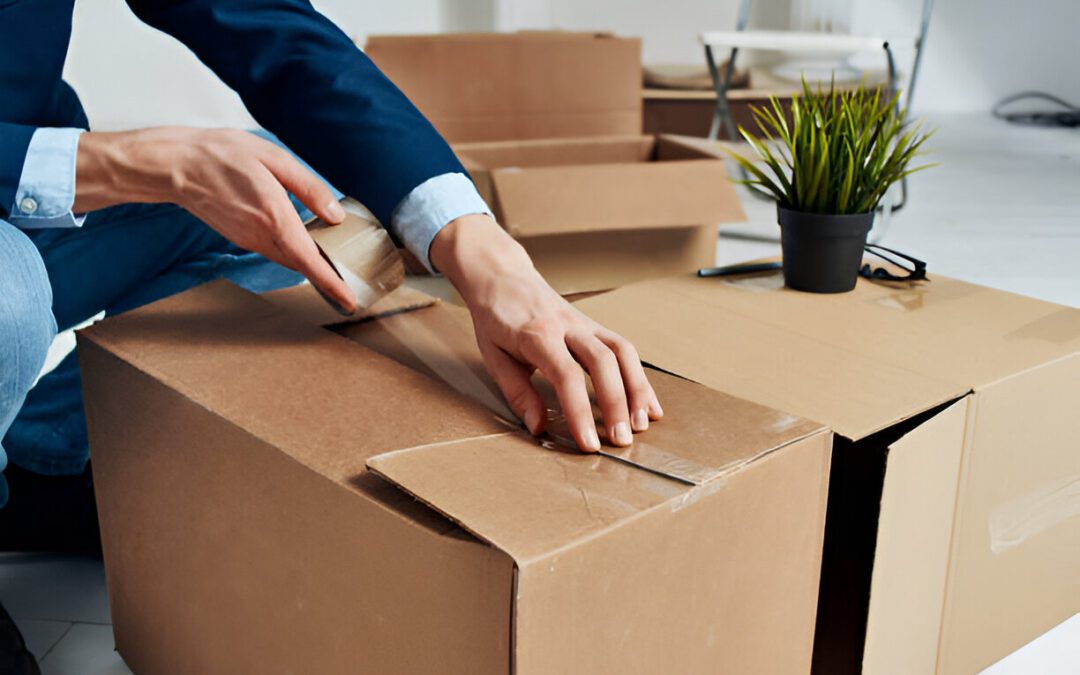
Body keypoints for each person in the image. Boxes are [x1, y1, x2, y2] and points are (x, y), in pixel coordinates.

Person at [0, 2, 662, 671]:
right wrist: (129, 162)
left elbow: (267, 23)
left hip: (31, 177)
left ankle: (42, 466)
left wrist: (486, 252)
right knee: (9, 294)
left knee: (303, 194)